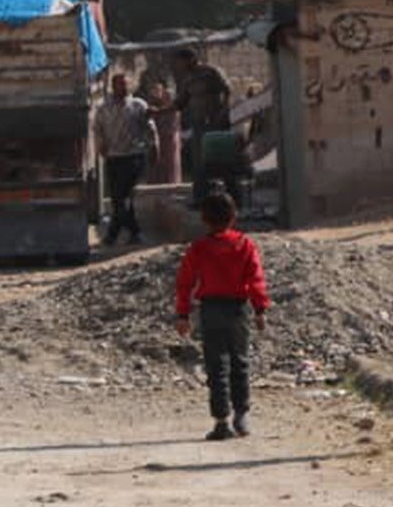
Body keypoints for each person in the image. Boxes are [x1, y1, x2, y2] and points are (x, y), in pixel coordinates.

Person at [176, 192, 270, 441]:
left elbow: (185, 283)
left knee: (216, 366)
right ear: (234, 216)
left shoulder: (198, 249)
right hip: (238, 310)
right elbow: (256, 279)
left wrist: (183, 314)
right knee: (240, 362)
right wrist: (260, 309)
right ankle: (241, 416)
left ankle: (221, 422)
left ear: (204, 220)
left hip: (211, 310)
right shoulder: (245, 245)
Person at [159, 47, 235, 203]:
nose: (178, 65)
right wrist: (160, 111)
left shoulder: (211, 72)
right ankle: (201, 199)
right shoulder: (188, 79)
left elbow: (227, 91)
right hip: (199, 125)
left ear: (190, 59)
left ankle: (232, 198)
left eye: (180, 62)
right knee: (199, 163)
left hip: (217, 124)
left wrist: (222, 112)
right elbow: (180, 103)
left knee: (222, 161)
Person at [93, 71, 158, 246]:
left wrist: (154, 146)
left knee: (124, 198)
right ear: (113, 86)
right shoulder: (104, 107)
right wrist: (100, 145)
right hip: (114, 157)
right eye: (119, 84)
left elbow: (150, 127)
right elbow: (97, 128)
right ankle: (133, 233)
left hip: (133, 157)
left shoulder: (138, 105)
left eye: (125, 83)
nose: (123, 87)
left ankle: (114, 236)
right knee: (117, 198)